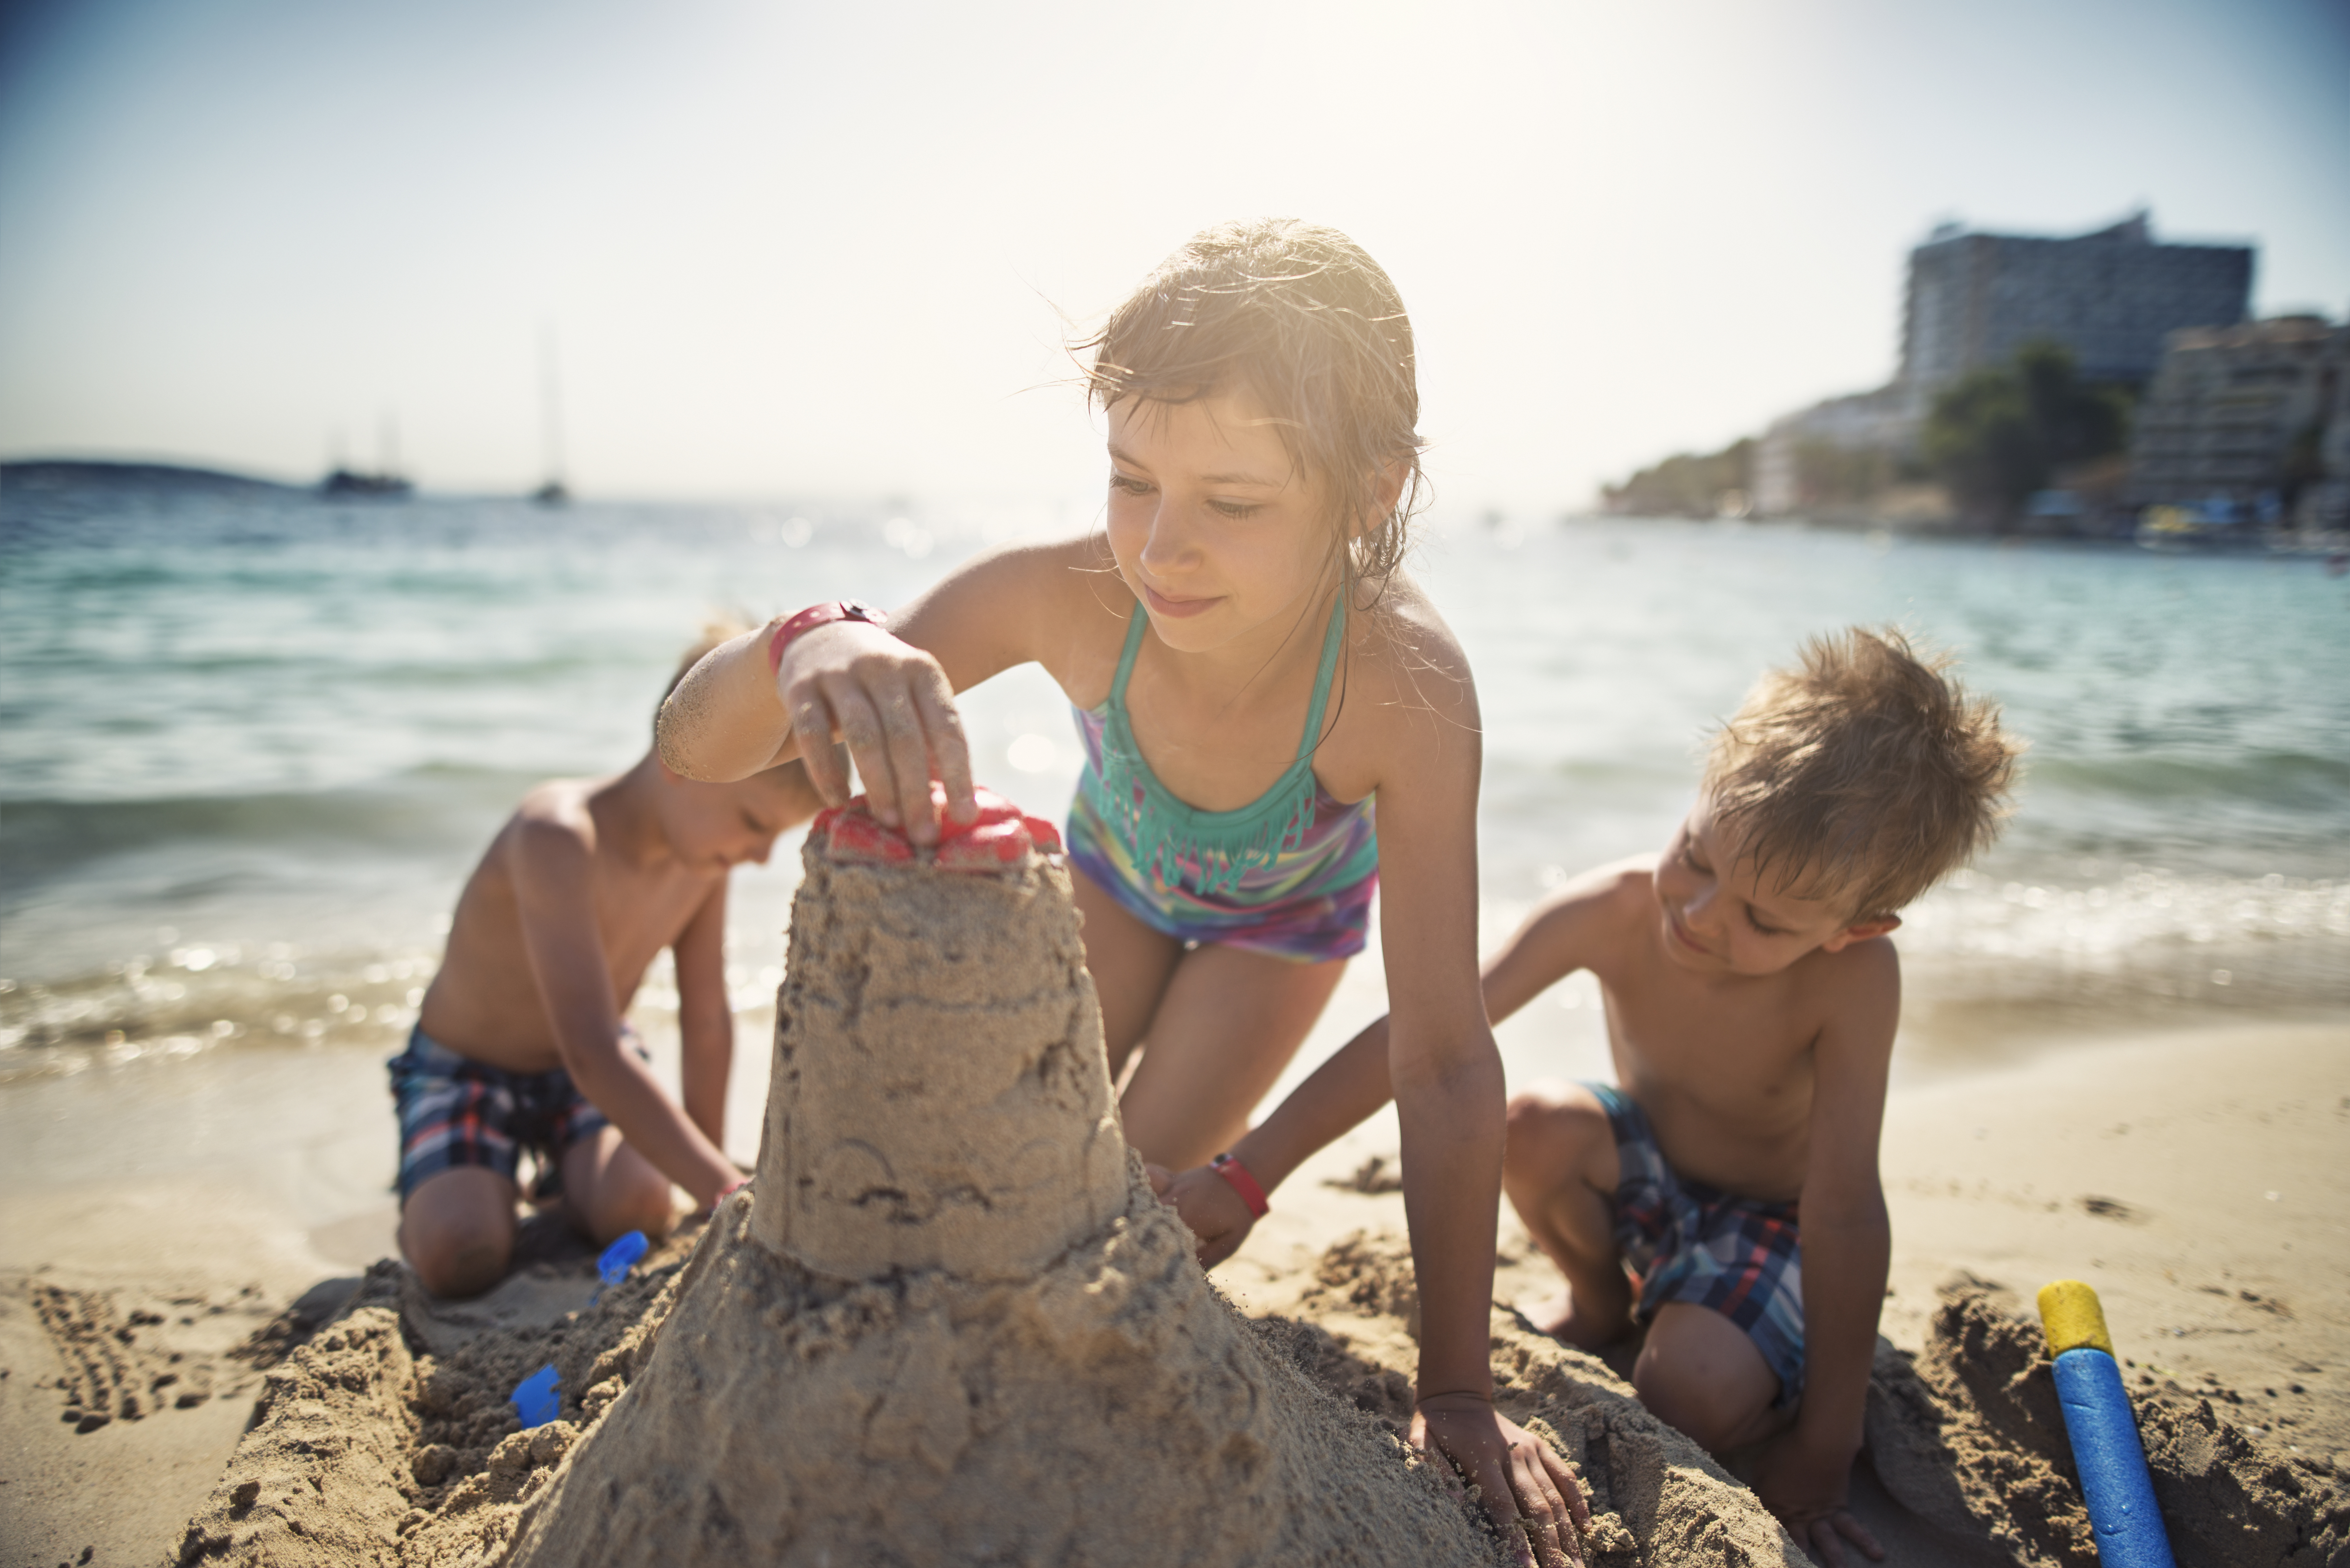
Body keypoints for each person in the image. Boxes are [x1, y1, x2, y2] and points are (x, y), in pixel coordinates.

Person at [658, 220, 1588, 1566]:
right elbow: (694, 755)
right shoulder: (1065, 598)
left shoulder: (1406, 690)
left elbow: (1445, 1055)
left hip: (1277, 933)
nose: (1163, 548)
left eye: (1236, 501)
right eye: (1131, 478)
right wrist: (812, 635)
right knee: (998, 1186)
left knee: (1123, 1223)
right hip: (1116, 877)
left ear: (1370, 492)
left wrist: (1455, 1390)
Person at [1158, 628, 2021, 1567]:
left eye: (1763, 920)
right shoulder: (1607, 912)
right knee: (1534, 1125)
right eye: (1696, 856)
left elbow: (1847, 1208)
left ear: (1856, 929)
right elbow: (1427, 1034)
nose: (1698, 916)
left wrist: (1828, 1442)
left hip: (1773, 1225)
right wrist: (1249, 1173)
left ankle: (1726, 1346)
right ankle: (1603, 1300)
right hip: (1648, 1168)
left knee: (1687, 1392)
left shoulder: (1854, 985)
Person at [391, 624, 827, 1299]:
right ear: (683, 764)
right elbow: (594, 1045)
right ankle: (453, 1184)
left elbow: (707, 1020)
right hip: (467, 1068)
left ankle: (558, 1178)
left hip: (579, 1080)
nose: (761, 855)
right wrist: (727, 1188)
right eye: (753, 822)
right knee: (461, 1252)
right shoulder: (557, 835)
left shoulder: (700, 863)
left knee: (641, 1209)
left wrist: (701, 1195)